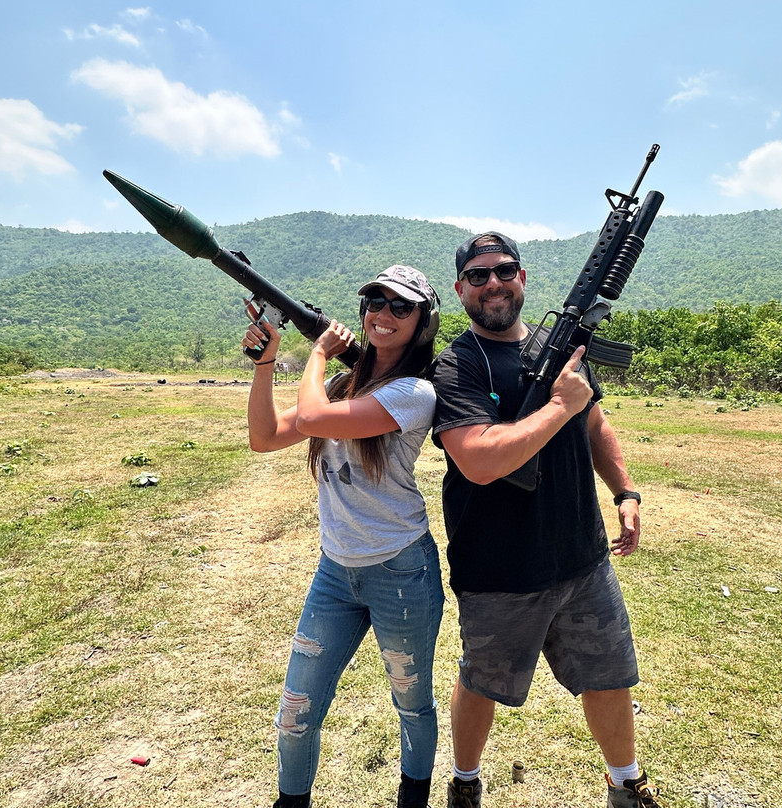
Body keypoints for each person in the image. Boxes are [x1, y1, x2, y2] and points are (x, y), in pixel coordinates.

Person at [429, 233, 660, 808]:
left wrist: (624, 490)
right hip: (500, 566)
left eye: (504, 271)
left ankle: (626, 783)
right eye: (477, 276)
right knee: (484, 681)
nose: (493, 284)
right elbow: (480, 461)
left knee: (609, 676)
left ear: (523, 278)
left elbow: (593, 423)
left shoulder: (560, 351)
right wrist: (560, 403)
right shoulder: (455, 366)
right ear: (460, 289)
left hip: (582, 556)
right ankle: (464, 781)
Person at [244, 265, 445, 808]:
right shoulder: (340, 386)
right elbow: (264, 437)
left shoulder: (414, 393)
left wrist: (313, 353)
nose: (383, 315)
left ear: (422, 323)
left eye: (400, 307)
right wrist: (266, 362)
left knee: (412, 704)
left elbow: (311, 418)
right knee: (295, 709)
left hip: (402, 570)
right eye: (375, 302)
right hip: (335, 571)